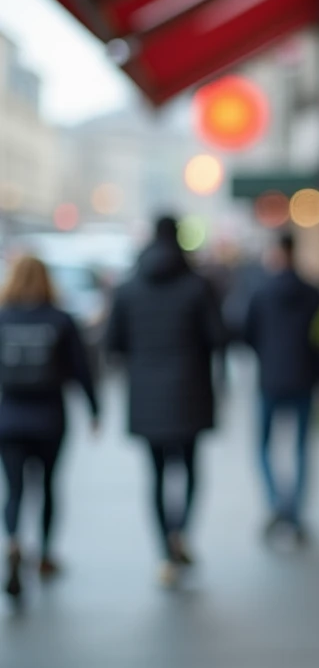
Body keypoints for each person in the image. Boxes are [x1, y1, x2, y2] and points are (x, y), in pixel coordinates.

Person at [105, 216, 226, 587]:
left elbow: (113, 344)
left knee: (156, 475)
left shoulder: (128, 288)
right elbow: (217, 337)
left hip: (146, 395)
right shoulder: (198, 286)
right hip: (190, 392)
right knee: (190, 469)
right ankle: (181, 532)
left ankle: (164, 550)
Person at [0, 256, 99, 602]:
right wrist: (94, 409)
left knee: (14, 489)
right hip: (49, 417)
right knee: (47, 486)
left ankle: (13, 542)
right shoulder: (60, 319)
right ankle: (44, 554)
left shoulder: (3, 317)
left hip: (9, 417)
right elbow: (82, 369)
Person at [243, 233, 319, 541]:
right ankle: (293, 512)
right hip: (304, 379)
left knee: (263, 446)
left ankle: (277, 504)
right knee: (301, 448)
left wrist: (267, 359)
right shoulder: (313, 293)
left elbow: (247, 334)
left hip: (270, 380)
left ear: (277, 254)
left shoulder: (261, 292)